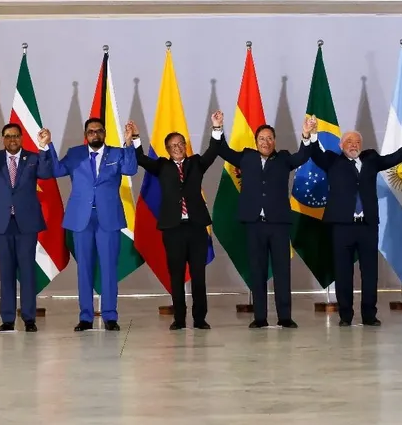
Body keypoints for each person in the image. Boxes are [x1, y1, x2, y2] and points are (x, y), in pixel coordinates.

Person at [210, 111, 315, 329]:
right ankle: (260, 317)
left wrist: (306, 135)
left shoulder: (284, 159)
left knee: (282, 271)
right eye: (261, 138)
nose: (265, 142)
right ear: (255, 141)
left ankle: (284, 316)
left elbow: (302, 156)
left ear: (274, 141)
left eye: (269, 138)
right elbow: (222, 150)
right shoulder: (246, 157)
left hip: (278, 225)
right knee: (257, 271)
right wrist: (218, 128)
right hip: (254, 224)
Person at [309, 129, 402, 326]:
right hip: (342, 227)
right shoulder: (332, 161)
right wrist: (311, 136)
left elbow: (393, 158)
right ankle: (345, 316)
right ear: (341, 145)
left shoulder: (371, 160)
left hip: (367, 226)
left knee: (370, 272)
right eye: (349, 141)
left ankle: (369, 315)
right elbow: (315, 154)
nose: (353, 145)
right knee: (343, 272)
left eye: (356, 142)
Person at [46, 118, 138, 331]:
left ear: (104, 133)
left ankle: (110, 316)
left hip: (108, 218)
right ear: (85, 134)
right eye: (90, 131)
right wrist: (48, 145)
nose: (94, 134)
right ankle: (85, 317)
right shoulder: (75, 153)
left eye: (98, 131)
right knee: (84, 269)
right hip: (82, 219)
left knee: (108, 269)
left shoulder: (116, 153)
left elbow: (131, 169)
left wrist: (128, 143)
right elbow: (57, 170)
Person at [0, 124, 54, 332]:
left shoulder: (33, 158)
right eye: (8, 136)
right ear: (2, 139)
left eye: (16, 136)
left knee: (27, 272)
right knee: (5, 272)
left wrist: (44, 147)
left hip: (26, 223)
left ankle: (29, 318)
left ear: (22, 138)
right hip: (0, 224)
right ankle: (7, 318)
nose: (12, 139)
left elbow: (46, 172)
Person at [135, 130, 220, 330]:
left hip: (197, 227)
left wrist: (216, 129)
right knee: (176, 274)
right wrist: (136, 138)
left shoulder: (196, 163)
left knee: (199, 274)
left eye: (180, 144)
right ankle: (179, 319)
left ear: (185, 145)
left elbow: (214, 150)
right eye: (173, 146)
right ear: (167, 150)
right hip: (173, 229)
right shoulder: (162, 166)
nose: (178, 148)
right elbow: (140, 159)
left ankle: (200, 318)